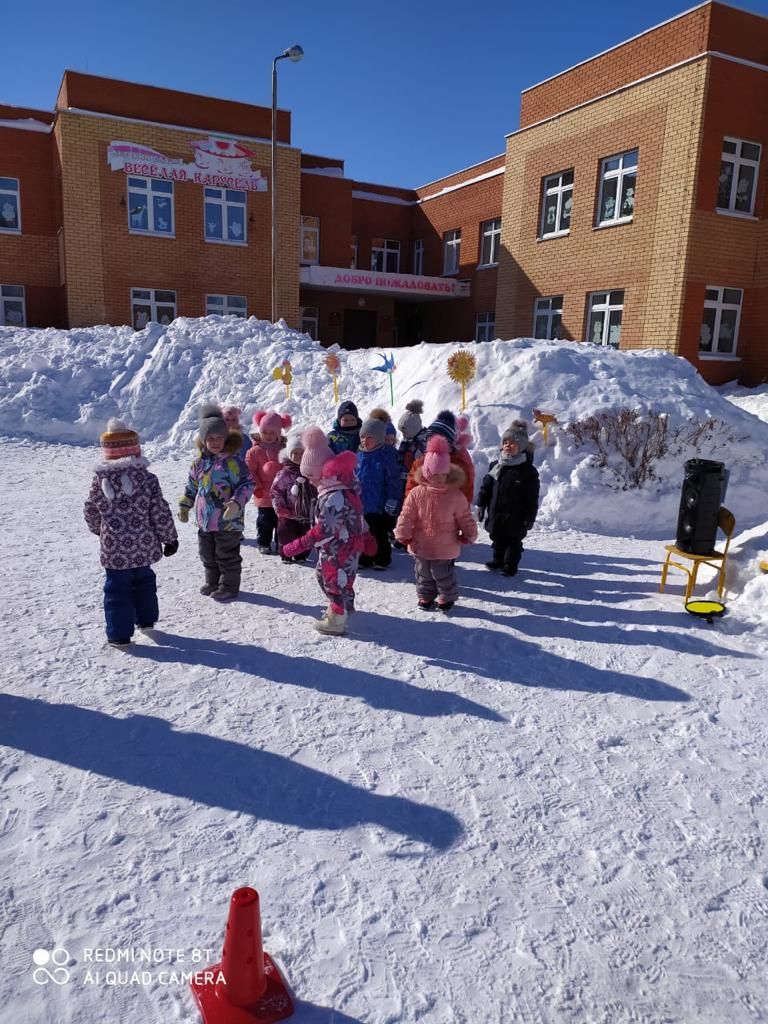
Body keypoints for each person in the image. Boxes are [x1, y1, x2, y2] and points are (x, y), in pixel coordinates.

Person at [84, 419, 178, 646]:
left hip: (114, 548)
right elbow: (159, 510)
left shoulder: (100, 481)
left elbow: (90, 510)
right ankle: (146, 621)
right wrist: (169, 537)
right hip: (143, 545)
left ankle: (119, 635)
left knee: (117, 590)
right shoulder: (147, 479)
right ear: (136, 450)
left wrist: (101, 531)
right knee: (144, 582)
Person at [282, 427, 375, 635]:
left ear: (322, 471)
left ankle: (336, 618)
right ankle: (345, 606)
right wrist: (366, 535)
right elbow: (358, 515)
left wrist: (297, 545)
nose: (311, 481)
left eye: (312, 476)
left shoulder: (334, 496)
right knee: (333, 577)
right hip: (344, 546)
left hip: (338, 549)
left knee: (333, 579)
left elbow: (324, 529)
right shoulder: (343, 485)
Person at [179, 403, 254, 601]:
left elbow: (247, 484)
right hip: (205, 520)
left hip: (228, 521)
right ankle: (213, 582)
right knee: (207, 555)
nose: (215, 442)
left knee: (227, 555)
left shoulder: (233, 463)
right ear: (203, 441)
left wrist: (237, 503)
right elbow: (192, 486)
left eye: (219, 437)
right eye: (210, 438)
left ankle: (229, 586)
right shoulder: (198, 464)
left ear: (226, 437)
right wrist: (185, 504)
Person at [395, 435, 477, 612]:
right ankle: (425, 596)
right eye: (434, 474)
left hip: (445, 546)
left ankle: (446, 596)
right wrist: (403, 533)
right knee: (423, 573)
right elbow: (407, 515)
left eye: (442, 474)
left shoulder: (455, 495)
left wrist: (469, 534)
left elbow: (465, 517)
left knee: (443, 574)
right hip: (421, 544)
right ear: (426, 472)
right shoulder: (417, 493)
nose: (438, 478)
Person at [476, 420, 540, 577]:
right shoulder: (496, 465)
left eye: (513, 443)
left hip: (516, 517)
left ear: (522, 447)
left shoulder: (527, 471)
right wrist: (481, 505)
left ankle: (510, 565)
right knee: (497, 538)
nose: (508, 445)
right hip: (496, 513)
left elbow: (532, 497)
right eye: (505, 442)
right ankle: (497, 560)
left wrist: (529, 517)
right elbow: (486, 487)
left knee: (513, 542)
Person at [356, 414, 401, 569]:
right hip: (362, 503)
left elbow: (393, 481)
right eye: (362, 437)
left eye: (369, 437)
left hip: (379, 504)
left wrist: (393, 499)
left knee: (379, 533)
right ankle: (365, 557)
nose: (365, 441)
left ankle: (382, 558)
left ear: (379, 439)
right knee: (364, 532)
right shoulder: (359, 455)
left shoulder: (385, 456)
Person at [246, 409, 292, 554]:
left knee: (282, 520)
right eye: (265, 432)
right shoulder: (255, 451)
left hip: (282, 493)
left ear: (279, 433)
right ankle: (264, 542)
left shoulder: (284, 449)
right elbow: (250, 470)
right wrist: (256, 486)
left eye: (272, 433)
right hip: (263, 492)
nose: (268, 436)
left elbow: (290, 468)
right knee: (265, 520)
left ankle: (281, 542)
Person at [405, 410, 475, 504]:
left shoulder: (458, 464)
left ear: (450, 445)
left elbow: (465, 495)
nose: (434, 444)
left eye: (440, 442)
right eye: (430, 439)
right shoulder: (421, 462)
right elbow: (411, 487)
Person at [270, 427, 317, 563]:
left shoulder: (310, 471)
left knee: (305, 533)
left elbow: (317, 488)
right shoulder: (284, 473)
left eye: (301, 453)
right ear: (289, 454)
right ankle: (285, 553)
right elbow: (276, 491)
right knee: (286, 532)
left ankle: (301, 554)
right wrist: (281, 508)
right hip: (288, 512)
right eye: (294, 453)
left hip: (306, 512)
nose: (298, 456)